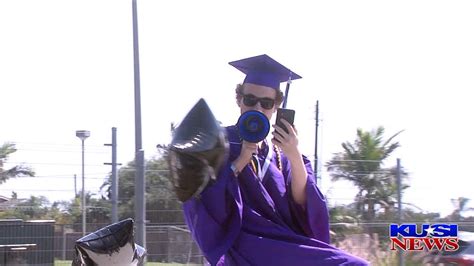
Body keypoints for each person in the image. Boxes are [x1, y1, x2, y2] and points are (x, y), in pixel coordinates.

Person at [182, 54, 368, 265]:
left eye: (266, 103)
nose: (257, 109)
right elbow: (206, 202)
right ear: (238, 99)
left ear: (277, 106)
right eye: (250, 100)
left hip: (285, 241)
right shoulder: (218, 143)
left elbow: (303, 204)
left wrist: (294, 154)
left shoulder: (281, 153)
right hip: (241, 241)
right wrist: (241, 159)